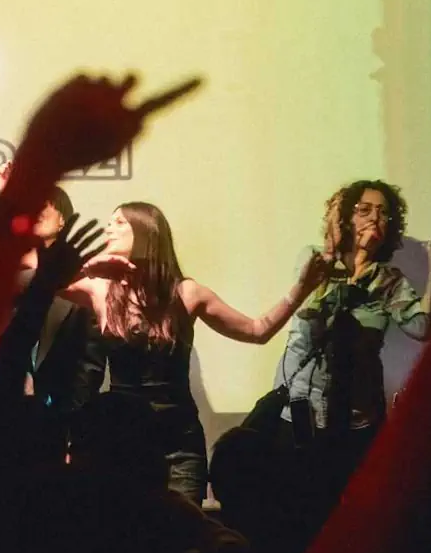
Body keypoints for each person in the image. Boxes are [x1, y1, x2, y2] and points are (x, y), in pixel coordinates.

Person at [76, 201, 329, 503]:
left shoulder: (187, 293)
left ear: (146, 232)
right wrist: (84, 268)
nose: (108, 228)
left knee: (182, 539)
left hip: (179, 447)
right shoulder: (101, 289)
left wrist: (300, 289)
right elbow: (27, 283)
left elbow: (256, 330)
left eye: (119, 222)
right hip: (123, 445)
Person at [0, 83, 104, 422]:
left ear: (63, 219)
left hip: (48, 428)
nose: (37, 208)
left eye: (46, 203)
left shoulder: (78, 289)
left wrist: (64, 429)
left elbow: (87, 371)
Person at [272, 178, 431, 449]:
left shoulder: (387, 280)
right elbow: (307, 315)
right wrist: (331, 250)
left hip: (358, 419)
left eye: (383, 213)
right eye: (364, 210)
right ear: (345, 220)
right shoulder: (314, 259)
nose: (375, 217)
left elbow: (421, 328)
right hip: (304, 412)